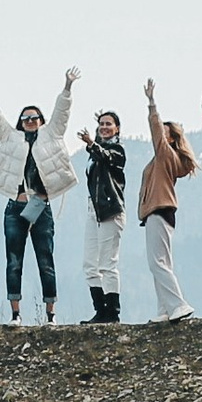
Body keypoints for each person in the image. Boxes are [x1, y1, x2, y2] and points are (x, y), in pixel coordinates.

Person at [0, 70, 78, 324]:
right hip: (15, 207)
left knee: (46, 260)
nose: (30, 121)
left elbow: (61, 113)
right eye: (26, 118)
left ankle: (50, 315)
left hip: (41, 206)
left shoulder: (51, 134)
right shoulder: (10, 137)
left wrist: (67, 86)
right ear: (20, 121)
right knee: (13, 262)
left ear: (41, 120)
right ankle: (16, 314)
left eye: (34, 117)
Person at [137, 80, 200, 323]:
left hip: (159, 209)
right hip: (159, 212)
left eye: (164, 133)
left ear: (171, 139)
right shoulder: (163, 160)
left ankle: (178, 305)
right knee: (161, 262)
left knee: (157, 263)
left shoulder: (165, 154)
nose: (159, 136)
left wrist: (151, 103)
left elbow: (155, 131)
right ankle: (165, 309)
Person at [76, 108, 129, 324]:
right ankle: (100, 310)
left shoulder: (118, 150)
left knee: (108, 264)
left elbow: (108, 158)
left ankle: (113, 312)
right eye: (102, 124)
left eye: (109, 124)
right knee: (90, 264)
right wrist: (93, 145)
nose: (104, 127)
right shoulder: (94, 152)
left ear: (117, 128)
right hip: (94, 210)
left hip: (110, 209)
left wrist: (92, 143)